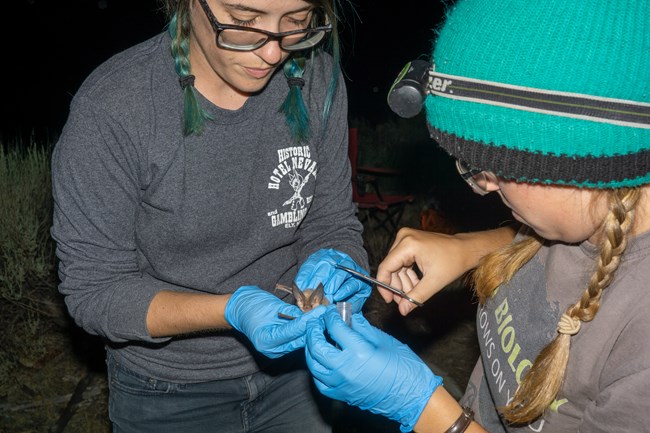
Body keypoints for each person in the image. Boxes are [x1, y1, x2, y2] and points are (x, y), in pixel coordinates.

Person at [304, 0, 650, 432]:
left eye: (488, 172)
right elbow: (558, 250)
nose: (481, 189)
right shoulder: (586, 219)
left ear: (575, 162)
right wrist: (467, 248)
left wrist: (423, 407)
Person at [50, 0, 371, 431]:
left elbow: (330, 220)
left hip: (298, 373)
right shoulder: (114, 107)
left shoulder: (317, 77)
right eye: (243, 21)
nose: (274, 53)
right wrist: (232, 310)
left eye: (296, 22)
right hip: (168, 390)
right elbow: (95, 290)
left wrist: (342, 263)